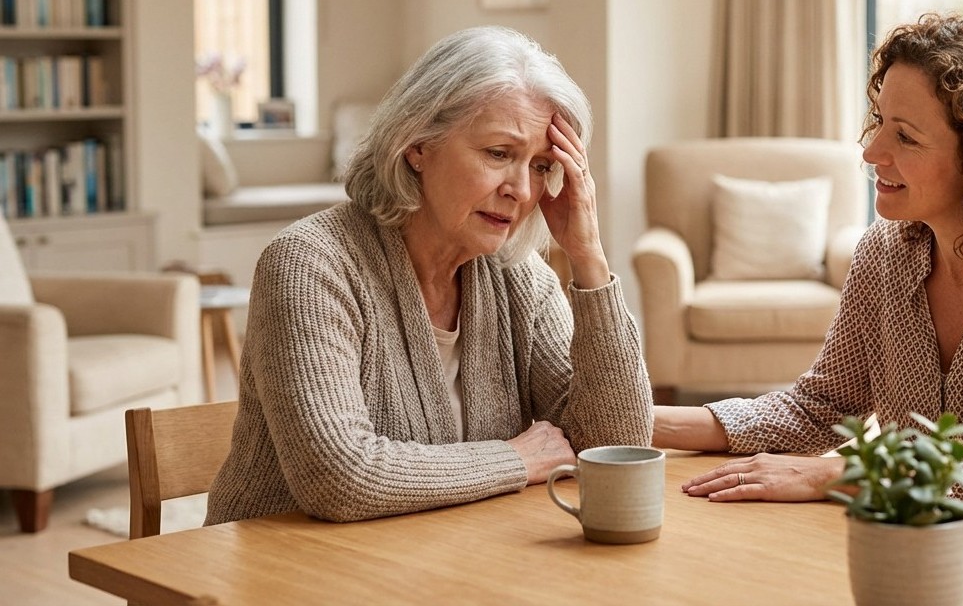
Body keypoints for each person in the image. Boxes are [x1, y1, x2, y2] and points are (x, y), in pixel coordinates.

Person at [652, 13, 963, 514]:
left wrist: (839, 472)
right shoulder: (886, 253)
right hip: (941, 542)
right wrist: (637, 421)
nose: (872, 152)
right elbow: (820, 408)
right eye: (880, 123)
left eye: (906, 136)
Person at [206, 26, 653, 525]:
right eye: (499, 154)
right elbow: (338, 478)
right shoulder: (309, 264)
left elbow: (615, 450)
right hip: (287, 576)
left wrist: (589, 261)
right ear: (417, 144)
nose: (522, 191)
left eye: (542, 165)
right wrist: (516, 459)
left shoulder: (522, 280)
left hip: (440, 564)